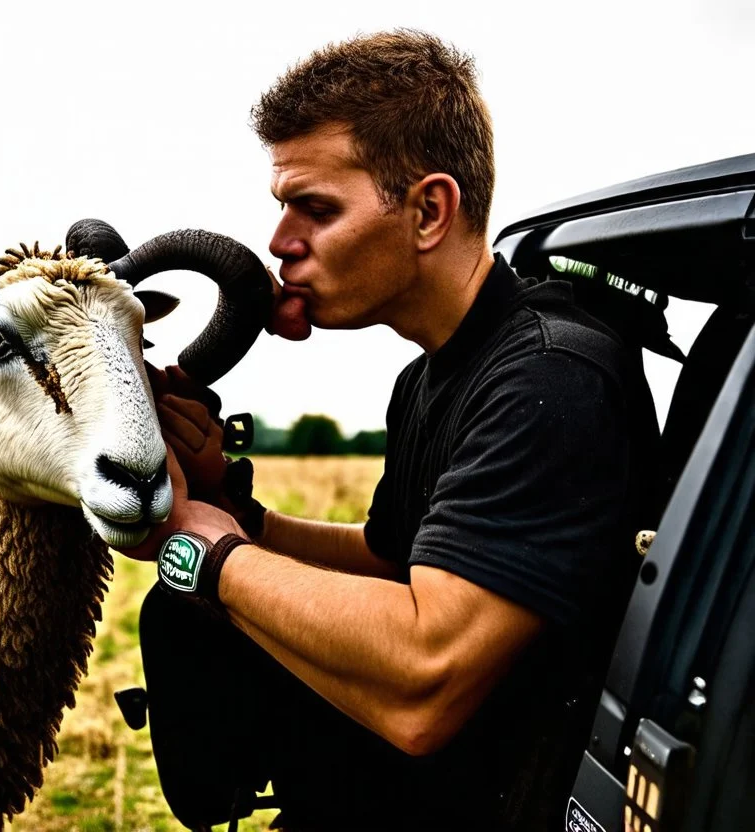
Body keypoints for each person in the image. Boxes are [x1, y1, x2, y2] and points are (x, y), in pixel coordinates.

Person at [120, 30, 659, 831]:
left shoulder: (550, 379)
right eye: (282, 210)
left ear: (429, 211)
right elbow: (393, 560)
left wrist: (203, 548)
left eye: (318, 209)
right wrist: (235, 507)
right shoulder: (430, 375)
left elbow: (423, 680)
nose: (279, 244)